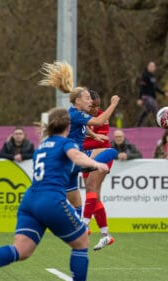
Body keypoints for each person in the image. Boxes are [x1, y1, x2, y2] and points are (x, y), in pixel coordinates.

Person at [0, 107, 110, 281]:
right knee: (82, 241)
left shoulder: (42, 146)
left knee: (22, 250)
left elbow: (66, 163)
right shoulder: (65, 142)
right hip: (50, 200)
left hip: (30, 201)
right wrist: (96, 164)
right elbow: (75, 156)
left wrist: (84, 163)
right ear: (68, 126)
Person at [38, 61, 120, 251]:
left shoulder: (76, 115)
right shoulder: (76, 113)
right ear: (78, 101)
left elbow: (81, 128)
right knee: (111, 152)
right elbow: (100, 120)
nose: (91, 101)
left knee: (77, 204)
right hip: (74, 159)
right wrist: (113, 104)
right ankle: (85, 225)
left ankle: (78, 231)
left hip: (68, 165)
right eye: (87, 98)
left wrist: (93, 134)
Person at [82, 90, 117, 250]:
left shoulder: (102, 117)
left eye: (98, 106)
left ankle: (84, 225)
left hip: (101, 156)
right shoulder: (80, 116)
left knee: (90, 187)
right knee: (94, 196)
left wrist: (84, 143)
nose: (96, 109)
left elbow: (99, 142)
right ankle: (105, 235)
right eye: (93, 106)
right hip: (85, 158)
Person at [136, 61, 168, 127]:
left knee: (146, 111)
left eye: (153, 66)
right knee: (155, 109)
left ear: (155, 68)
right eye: (150, 66)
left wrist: (164, 93)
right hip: (146, 96)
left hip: (152, 97)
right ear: (148, 67)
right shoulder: (145, 75)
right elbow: (142, 87)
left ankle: (138, 125)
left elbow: (155, 88)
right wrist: (139, 98)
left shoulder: (153, 77)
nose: (152, 68)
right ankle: (160, 125)